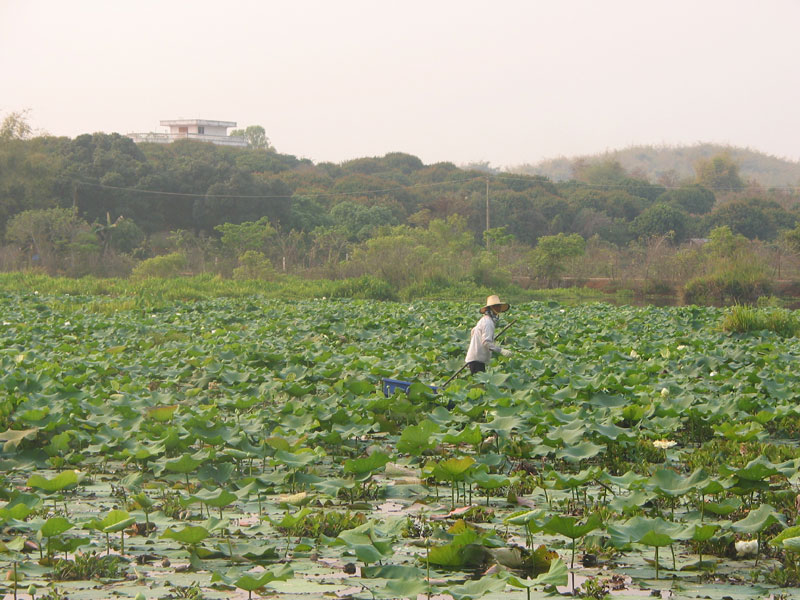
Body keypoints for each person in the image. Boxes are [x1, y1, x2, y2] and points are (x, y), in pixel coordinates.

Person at [465, 294, 512, 374]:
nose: (498, 308)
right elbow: (486, 342)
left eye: (499, 306)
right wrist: (501, 350)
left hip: (476, 358)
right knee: (479, 384)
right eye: (496, 306)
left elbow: (473, 331)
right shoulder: (488, 322)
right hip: (477, 360)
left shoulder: (484, 320)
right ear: (490, 308)